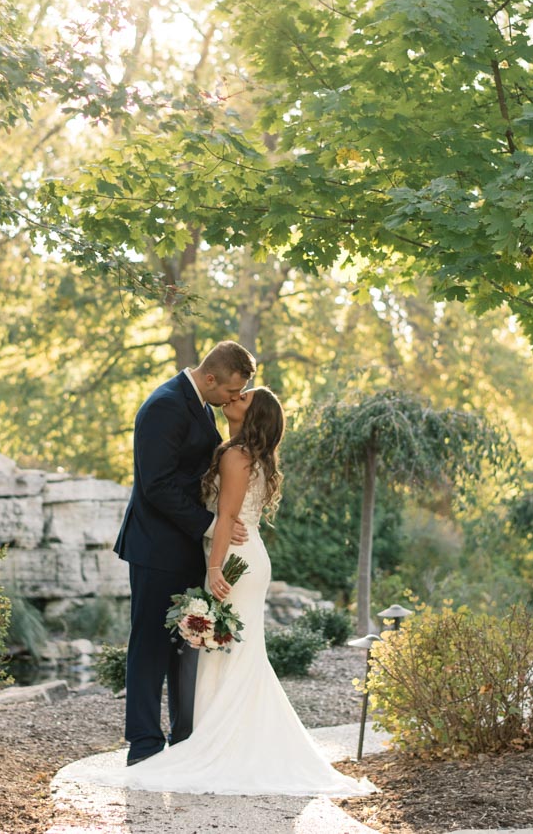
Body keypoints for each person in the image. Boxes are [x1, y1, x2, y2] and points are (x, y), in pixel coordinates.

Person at [123, 387, 374, 797]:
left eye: (243, 397)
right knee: (233, 653)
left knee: (228, 653)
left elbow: (225, 519)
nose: (233, 398)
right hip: (243, 556)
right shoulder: (239, 452)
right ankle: (219, 737)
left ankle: (220, 744)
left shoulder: (234, 455)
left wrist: (214, 567)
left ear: (252, 413)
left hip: (234, 561)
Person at [114, 342, 255, 766]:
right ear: (210, 378)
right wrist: (214, 526)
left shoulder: (201, 403)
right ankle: (143, 746)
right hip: (156, 548)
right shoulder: (164, 405)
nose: (233, 399)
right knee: (150, 646)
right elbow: (156, 485)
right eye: (231, 391)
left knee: (187, 643)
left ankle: (185, 737)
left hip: (186, 548)